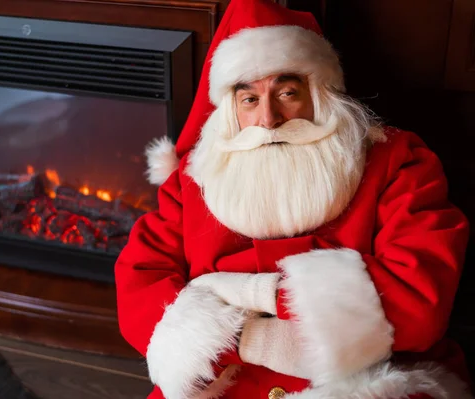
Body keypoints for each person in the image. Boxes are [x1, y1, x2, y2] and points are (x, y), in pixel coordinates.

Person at [115, 0, 472, 397]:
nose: (268, 119)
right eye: (249, 99)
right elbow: (142, 282)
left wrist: (252, 293)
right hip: (226, 379)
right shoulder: (197, 176)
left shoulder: (398, 161)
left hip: (364, 382)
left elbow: (420, 305)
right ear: (232, 110)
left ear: (320, 95)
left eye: (286, 92)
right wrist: (252, 341)